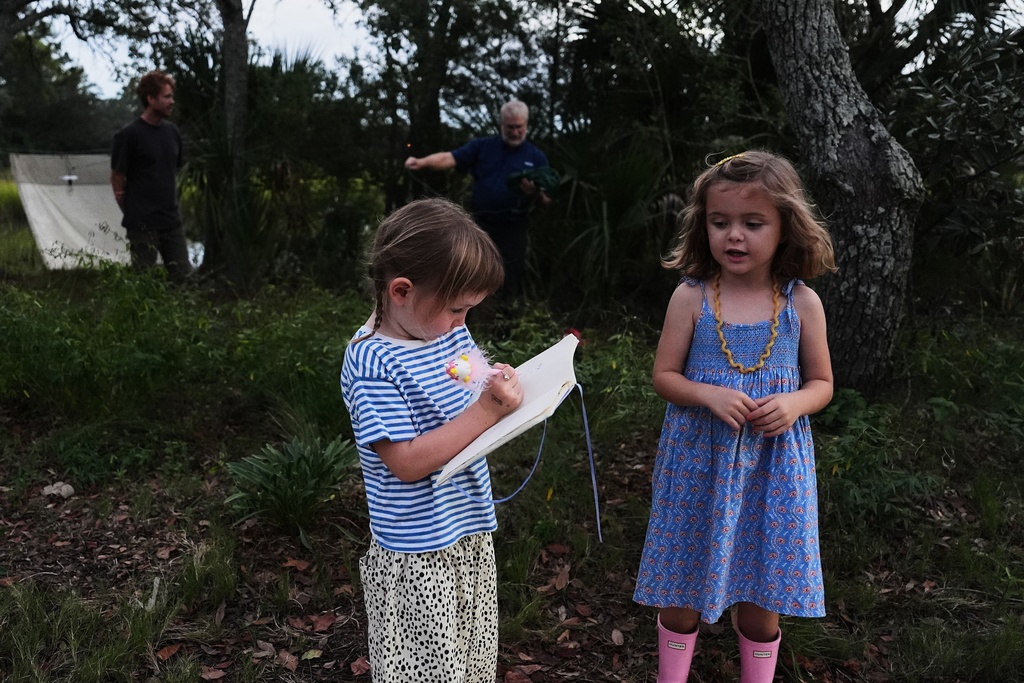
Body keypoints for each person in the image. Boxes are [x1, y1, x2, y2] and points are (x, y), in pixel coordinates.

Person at [633, 151, 837, 683]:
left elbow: (822, 384)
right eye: (720, 222)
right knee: (681, 584)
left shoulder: (801, 303)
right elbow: (664, 377)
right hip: (698, 462)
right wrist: (707, 395)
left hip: (772, 469)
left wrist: (794, 402)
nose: (734, 237)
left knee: (763, 588)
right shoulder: (692, 296)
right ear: (703, 225)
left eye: (753, 223)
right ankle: (671, 676)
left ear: (785, 226)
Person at [339, 198, 525, 682]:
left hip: (466, 526)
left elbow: (470, 382)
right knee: (428, 671)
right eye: (457, 309)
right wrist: (487, 411)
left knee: (469, 662)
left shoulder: (443, 333)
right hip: (417, 551)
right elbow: (404, 462)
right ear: (402, 291)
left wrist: (493, 382)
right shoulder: (372, 363)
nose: (464, 324)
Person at [404, 100, 552, 298]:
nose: (515, 132)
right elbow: (450, 158)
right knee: (467, 272)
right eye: (510, 127)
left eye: (519, 127)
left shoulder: (536, 157)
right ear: (502, 125)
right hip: (479, 224)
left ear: (526, 125)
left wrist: (534, 193)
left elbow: (546, 200)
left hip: (513, 228)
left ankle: (506, 326)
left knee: (510, 280)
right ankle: (462, 323)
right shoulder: (483, 147)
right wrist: (421, 162)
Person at [110, 70, 192, 282]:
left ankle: (177, 315)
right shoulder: (129, 135)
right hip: (142, 223)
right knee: (143, 283)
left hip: (171, 220)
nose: (171, 102)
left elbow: (171, 171)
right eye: (166, 97)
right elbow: (117, 177)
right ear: (151, 99)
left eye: (172, 97)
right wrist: (131, 210)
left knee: (183, 276)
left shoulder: (172, 132)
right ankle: (138, 317)